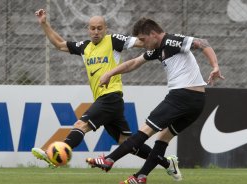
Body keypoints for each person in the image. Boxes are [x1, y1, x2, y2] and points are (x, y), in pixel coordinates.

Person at [31, 9, 180, 179]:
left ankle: (55, 154)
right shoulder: (84, 47)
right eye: (93, 28)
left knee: (81, 125)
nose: (96, 32)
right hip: (108, 101)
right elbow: (59, 44)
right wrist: (44, 23)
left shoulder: (113, 41)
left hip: (111, 96)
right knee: (127, 143)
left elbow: (141, 41)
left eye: (99, 28)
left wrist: (167, 41)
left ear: (105, 29)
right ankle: (168, 163)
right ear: (88, 29)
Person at [86, 17, 225, 184]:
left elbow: (202, 42)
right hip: (196, 102)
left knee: (144, 131)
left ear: (153, 34)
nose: (143, 44)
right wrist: (109, 73)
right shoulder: (158, 49)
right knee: (162, 139)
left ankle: (109, 160)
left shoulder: (171, 41)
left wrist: (215, 66)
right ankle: (140, 176)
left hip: (182, 96)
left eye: (144, 40)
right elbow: (134, 63)